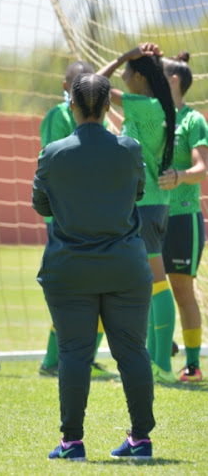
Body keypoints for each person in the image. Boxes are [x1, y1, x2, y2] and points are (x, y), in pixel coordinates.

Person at [35, 73, 155, 461]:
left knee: (73, 353)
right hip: (126, 268)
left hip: (69, 269)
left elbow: (41, 205)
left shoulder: (53, 152)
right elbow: (138, 193)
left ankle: (72, 444)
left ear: (71, 105)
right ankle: (141, 440)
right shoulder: (129, 148)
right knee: (133, 352)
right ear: (108, 108)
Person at [98, 43, 177, 384]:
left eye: (128, 71)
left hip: (144, 206)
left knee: (156, 282)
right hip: (149, 204)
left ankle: (163, 365)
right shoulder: (155, 106)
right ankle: (154, 360)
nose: (123, 75)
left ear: (139, 77)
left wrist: (120, 57)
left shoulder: (142, 106)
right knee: (144, 283)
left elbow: (91, 85)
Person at [37, 61, 116, 380]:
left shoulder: (102, 119)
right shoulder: (58, 116)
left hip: (93, 216)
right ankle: (53, 361)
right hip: (68, 218)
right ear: (65, 85)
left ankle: (80, 358)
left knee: (100, 291)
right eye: (74, 83)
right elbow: (56, 163)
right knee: (76, 293)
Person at [158, 52, 208, 382]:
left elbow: (202, 168)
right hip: (154, 217)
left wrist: (179, 175)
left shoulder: (193, 121)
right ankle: (159, 351)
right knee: (147, 288)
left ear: (174, 80)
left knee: (182, 292)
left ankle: (192, 365)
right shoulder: (154, 115)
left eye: (159, 72)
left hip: (183, 218)